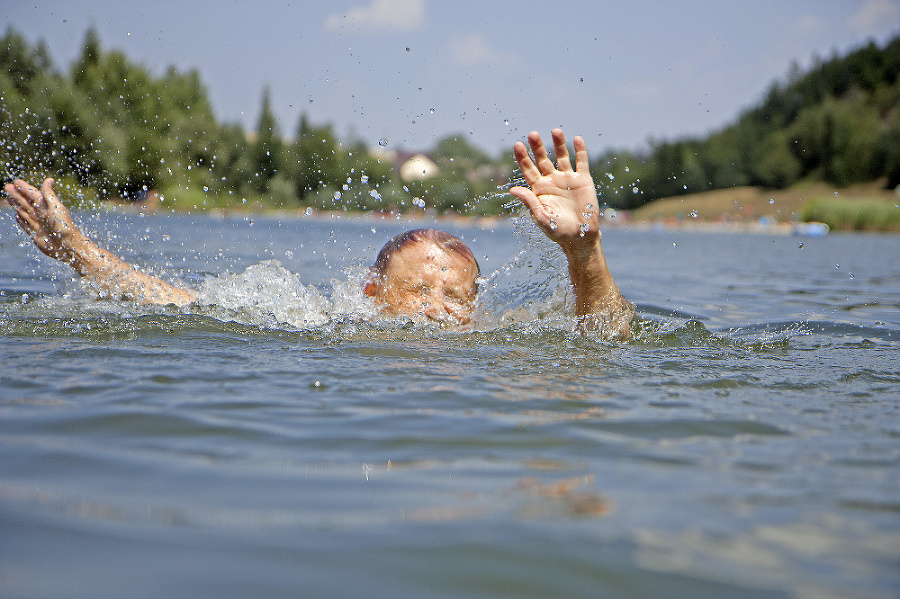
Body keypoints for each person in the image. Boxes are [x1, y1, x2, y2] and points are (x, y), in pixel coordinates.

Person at [4, 129, 634, 339]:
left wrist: (585, 251)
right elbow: (177, 304)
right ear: (370, 294)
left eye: (457, 300)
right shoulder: (323, 323)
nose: (438, 311)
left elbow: (607, 337)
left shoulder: (494, 347)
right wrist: (75, 248)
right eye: (417, 293)